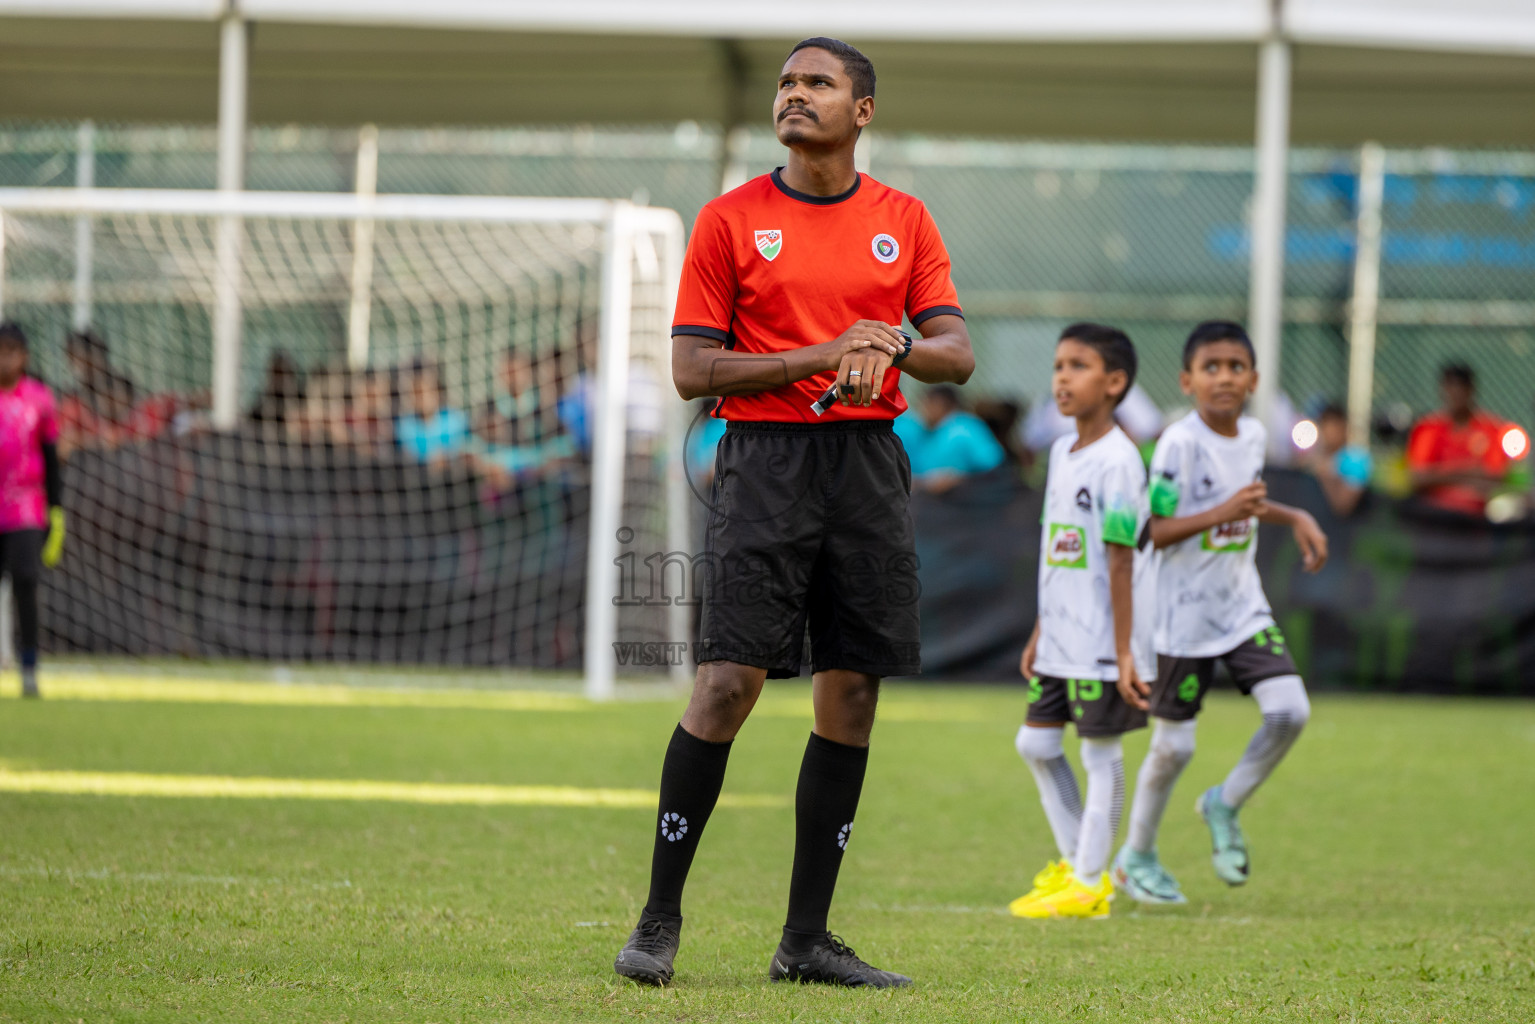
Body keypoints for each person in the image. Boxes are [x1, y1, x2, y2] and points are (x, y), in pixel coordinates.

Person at [612, 36, 974, 990]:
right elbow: (692, 369)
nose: (793, 94)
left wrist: (888, 345)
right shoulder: (731, 219)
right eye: (785, 82)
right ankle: (658, 920)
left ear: (861, 111)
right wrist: (818, 355)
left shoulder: (905, 219)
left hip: (866, 466)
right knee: (726, 685)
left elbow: (956, 352)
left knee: (851, 694)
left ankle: (804, 942)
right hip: (763, 462)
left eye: (817, 83)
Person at [1113, 320, 1328, 904]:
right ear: (1187, 380)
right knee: (1175, 748)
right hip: (1182, 618)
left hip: (1242, 608)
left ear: (1254, 379)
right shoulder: (1179, 445)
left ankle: (1223, 802)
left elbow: (1246, 506)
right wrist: (1227, 509)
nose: (1225, 377)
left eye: (1236, 367)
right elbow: (1152, 530)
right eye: (1212, 367)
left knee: (1290, 712)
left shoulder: (1254, 436)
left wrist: (1295, 517)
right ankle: (1136, 856)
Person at [1009, 323, 1153, 920]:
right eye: (1058, 365)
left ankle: (1091, 882)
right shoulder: (1062, 452)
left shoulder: (1119, 461)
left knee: (1101, 754)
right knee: (1036, 743)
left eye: (1078, 366)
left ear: (1115, 382)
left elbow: (1121, 559)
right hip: (1061, 638)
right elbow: (1060, 553)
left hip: (1101, 642)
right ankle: (1080, 868)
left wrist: (1125, 654)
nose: (1062, 378)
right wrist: (1043, 629)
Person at [0, 323, 65, 699]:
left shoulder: (39, 400)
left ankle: (28, 666)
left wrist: (56, 512)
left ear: (24, 357)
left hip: (26, 508)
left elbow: (52, 458)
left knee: (25, 580)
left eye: (11, 351)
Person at [1405, 363, 1512, 518]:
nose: (1455, 393)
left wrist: (1439, 474)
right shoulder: (1427, 428)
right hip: (1433, 516)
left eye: (1460, 387)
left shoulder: (1492, 428)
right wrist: (1468, 472)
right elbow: (1418, 477)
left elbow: (1495, 477)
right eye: (1450, 386)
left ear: (1471, 390)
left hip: (1477, 518)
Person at [893, 384, 1004, 493]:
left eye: (930, 403)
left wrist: (958, 480)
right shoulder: (925, 429)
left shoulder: (963, 428)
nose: (924, 408)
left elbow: (993, 466)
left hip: (967, 497)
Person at [1304, 403, 1372, 517]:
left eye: (1332, 427)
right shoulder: (1314, 456)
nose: (1327, 433)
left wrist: (1326, 475)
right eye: (1324, 426)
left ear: (1343, 428)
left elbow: (1343, 506)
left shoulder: (1356, 459)